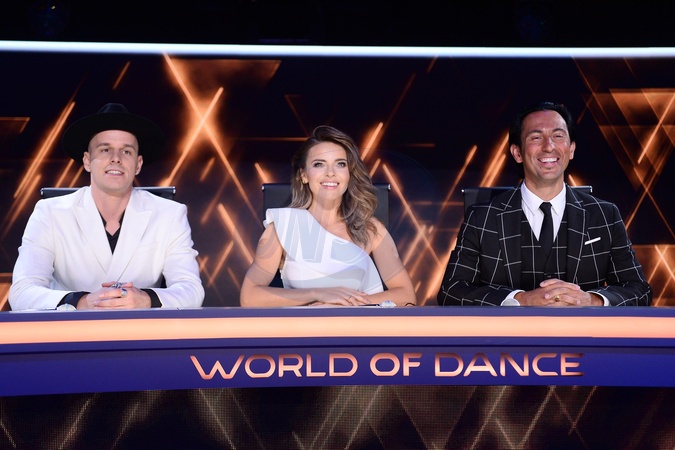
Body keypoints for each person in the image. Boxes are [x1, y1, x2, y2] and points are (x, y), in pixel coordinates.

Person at [437, 101, 652, 307]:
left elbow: (639, 289)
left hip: (583, 333)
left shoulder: (605, 215)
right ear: (517, 152)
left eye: (558, 136)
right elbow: (451, 290)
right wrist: (520, 300)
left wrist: (591, 300)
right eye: (536, 137)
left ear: (571, 149)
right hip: (509, 334)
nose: (549, 147)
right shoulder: (482, 218)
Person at [9, 103, 205, 310]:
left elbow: (191, 290)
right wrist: (82, 302)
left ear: (138, 164)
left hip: (141, 329)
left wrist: (145, 299)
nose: (116, 159)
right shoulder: (49, 213)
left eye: (126, 151)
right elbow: (22, 292)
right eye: (105, 150)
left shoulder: (170, 214)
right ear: (87, 161)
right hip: (73, 329)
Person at [240, 125, 416, 307]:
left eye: (340, 164)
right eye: (319, 164)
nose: (331, 173)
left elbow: (406, 295)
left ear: (349, 174)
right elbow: (249, 297)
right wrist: (317, 294)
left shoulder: (371, 228)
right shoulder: (282, 226)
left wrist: (344, 305)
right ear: (303, 175)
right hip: (304, 325)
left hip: (360, 324)